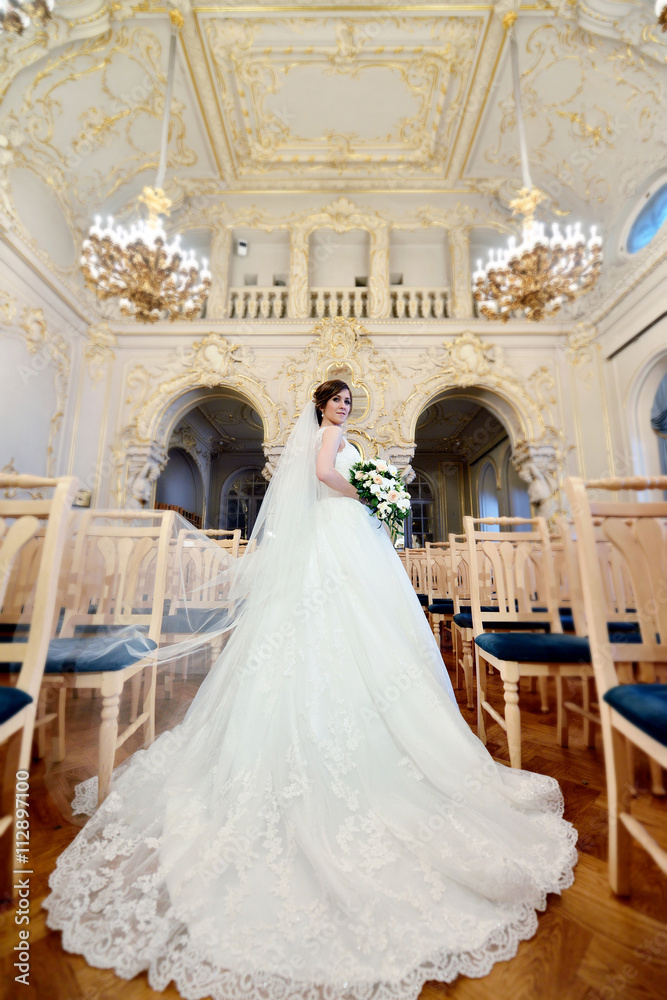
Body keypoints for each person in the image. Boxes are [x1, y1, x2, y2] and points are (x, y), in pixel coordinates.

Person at [44, 380, 576, 1000]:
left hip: (348, 541)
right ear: (321, 407)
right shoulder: (328, 440)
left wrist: (374, 496)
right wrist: (371, 493)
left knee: (366, 631)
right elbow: (325, 477)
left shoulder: (343, 436)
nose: (344, 410)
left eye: (349, 403)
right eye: (337, 402)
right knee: (333, 627)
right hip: (337, 539)